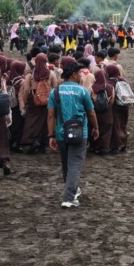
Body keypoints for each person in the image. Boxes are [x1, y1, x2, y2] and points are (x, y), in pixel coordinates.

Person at [47, 59, 98, 207]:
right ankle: (68, 198)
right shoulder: (82, 91)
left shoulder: (55, 91)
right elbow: (91, 113)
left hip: (61, 133)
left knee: (66, 164)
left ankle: (72, 190)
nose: (82, 75)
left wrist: (50, 135)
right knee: (75, 164)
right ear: (74, 75)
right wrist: (95, 128)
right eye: (80, 73)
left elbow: (50, 115)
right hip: (79, 132)